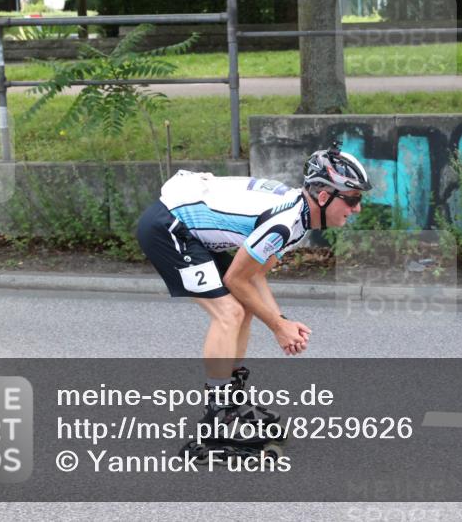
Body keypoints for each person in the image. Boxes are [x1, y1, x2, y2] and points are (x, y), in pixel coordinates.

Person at [137, 141, 371, 435]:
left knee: (243, 306)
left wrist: (281, 321)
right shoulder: (285, 223)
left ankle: (231, 403)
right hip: (167, 226)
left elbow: (255, 276)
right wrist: (276, 326)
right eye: (352, 199)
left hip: (190, 228)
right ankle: (217, 416)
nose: (357, 208)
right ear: (324, 196)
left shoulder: (298, 220)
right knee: (229, 313)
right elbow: (236, 279)